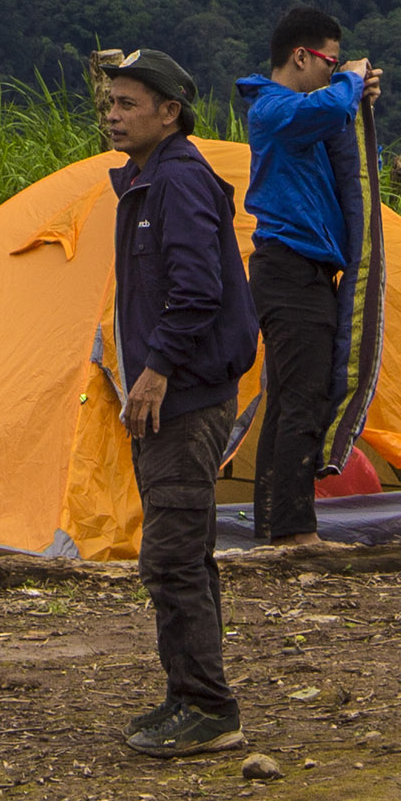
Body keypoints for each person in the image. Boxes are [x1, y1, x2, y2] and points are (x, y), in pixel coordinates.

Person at [97, 45, 261, 758]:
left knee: (172, 554)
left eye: (129, 103)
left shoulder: (179, 182)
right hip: (173, 390)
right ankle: (187, 692)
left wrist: (157, 368)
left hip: (187, 395)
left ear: (170, 111)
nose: (113, 114)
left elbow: (199, 289)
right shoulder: (145, 179)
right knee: (182, 551)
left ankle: (210, 706)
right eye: (110, 102)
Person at [233, 5, 376, 550]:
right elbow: (328, 108)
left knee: (292, 396)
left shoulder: (307, 113)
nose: (333, 72)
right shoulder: (273, 110)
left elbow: (352, 164)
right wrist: (351, 81)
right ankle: (294, 531)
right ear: (301, 56)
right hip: (288, 269)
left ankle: (278, 526)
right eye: (329, 63)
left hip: (306, 269)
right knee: (304, 399)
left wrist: (356, 101)